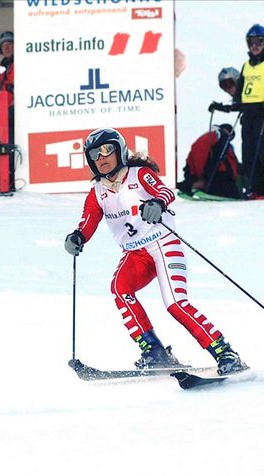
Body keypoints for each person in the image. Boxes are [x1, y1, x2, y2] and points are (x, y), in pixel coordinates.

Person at [64, 127, 245, 375]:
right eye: (94, 154)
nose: (101, 157)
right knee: (120, 289)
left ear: (119, 150)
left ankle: (224, 352)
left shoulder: (139, 175)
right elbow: (89, 220)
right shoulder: (98, 192)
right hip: (134, 254)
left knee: (175, 304)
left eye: (107, 150)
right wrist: (78, 236)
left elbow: (165, 192)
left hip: (163, 244)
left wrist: (157, 204)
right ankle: (154, 350)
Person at [209, 25, 264, 199]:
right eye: (251, 43)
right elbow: (239, 98)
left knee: (261, 152)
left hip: (262, 115)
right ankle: (256, 190)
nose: (255, 46)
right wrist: (222, 107)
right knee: (249, 153)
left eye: (259, 42)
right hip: (248, 116)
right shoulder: (246, 66)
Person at [177, 123, 241, 199]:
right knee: (232, 192)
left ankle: (189, 185)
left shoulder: (208, 137)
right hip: (217, 176)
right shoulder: (221, 136)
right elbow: (216, 159)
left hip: (194, 171)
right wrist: (203, 176)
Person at [0, 31, 15, 191]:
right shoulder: (2, 76)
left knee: (14, 154)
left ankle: (13, 182)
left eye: (10, 44)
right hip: (5, 120)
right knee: (5, 154)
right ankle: (6, 182)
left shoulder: (21, 66)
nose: (7, 47)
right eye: (3, 45)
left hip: (19, 117)